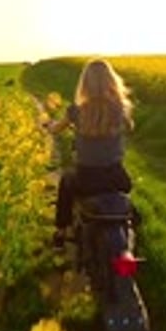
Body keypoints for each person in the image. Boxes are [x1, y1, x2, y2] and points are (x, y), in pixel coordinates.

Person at [47, 58, 135, 249]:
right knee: (128, 198)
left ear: (84, 84)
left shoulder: (76, 112)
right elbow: (129, 127)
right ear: (112, 81)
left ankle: (60, 234)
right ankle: (131, 238)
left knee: (65, 183)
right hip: (115, 176)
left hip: (86, 177)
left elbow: (56, 129)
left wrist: (50, 126)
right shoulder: (121, 109)